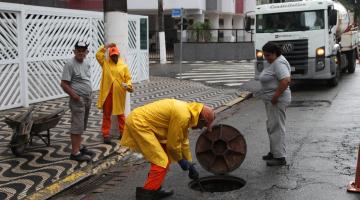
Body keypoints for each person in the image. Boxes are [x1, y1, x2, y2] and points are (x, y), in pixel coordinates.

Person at [120, 99, 215, 200]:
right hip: (140, 124)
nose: (201, 128)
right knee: (161, 162)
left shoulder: (188, 113)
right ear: (201, 119)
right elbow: (173, 146)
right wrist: (182, 161)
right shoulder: (183, 116)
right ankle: (146, 194)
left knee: (164, 158)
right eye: (204, 126)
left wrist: (189, 163)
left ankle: (155, 187)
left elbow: (183, 142)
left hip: (145, 123)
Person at [60, 41, 95, 162]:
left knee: (82, 125)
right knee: (77, 125)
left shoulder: (87, 62)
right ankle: (75, 153)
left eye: (83, 50)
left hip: (87, 98)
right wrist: (75, 97)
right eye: (78, 50)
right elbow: (64, 84)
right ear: (74, 51)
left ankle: (79, 147)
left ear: (87, 52)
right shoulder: (70, 64)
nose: (81, 52)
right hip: (78, 99)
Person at [258, 42, 291, 166]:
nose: (266, 58)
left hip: (277, 101)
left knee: (277, 127)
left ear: (275, 53)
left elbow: (286, 80)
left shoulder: (279, 63)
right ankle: (274, 152)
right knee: (271, 126)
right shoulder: (273, 62)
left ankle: (280, 157)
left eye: (268, 55)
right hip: (271, 101)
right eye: (264, 55)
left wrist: (275, 96)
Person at [96, 43, 134, 144]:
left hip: (119, 94)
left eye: (116, 55)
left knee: (120, 114)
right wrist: (106, 46)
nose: (114, 57)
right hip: (107, 94)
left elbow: (128, 79)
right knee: (106, 114)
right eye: (112, 56)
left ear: (119, 55)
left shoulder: (124, 66)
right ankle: (106, 135)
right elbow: (98, 55)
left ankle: (123, 133)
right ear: (110, 55)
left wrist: (128, 85)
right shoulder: (105, 63)